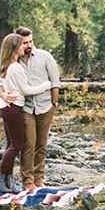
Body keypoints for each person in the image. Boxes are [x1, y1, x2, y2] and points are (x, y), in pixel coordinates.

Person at [0, 32, 52, 194]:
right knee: (17, 144)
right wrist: (46, 85)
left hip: (5, 107)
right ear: (14, 48)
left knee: (11, 145)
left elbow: (4, 82)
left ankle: (8, 180)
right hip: (13, 109)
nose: (24, 47)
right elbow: (26, 90)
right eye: (21, 44)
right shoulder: (16, 67)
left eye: (27, 43)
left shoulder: (7, 64)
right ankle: (0, 176)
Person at [15, 25, 61, 190]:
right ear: (18, 43)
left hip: (45, 106)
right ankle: (27, 181)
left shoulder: (45, 56)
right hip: (25, 108)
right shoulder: (14, 60)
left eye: (31, 41)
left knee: (42, 144)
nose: (29, 45)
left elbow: (55, 81)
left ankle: (38, 179)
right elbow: (2, 80)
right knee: (29, 143)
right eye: (25, 42)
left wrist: (53, 104)